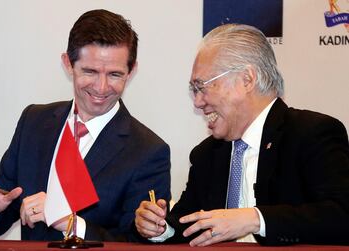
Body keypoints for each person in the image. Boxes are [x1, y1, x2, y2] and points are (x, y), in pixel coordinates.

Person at [135, 23, 349, 246]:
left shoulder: (310, 134)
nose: (197, 102)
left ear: (246, 79)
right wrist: (161, 228)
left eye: (202, 87)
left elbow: (341, 216)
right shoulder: (207, 154)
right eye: (194, 90)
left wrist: (255, 219)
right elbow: (189, 224)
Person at [0, 9, 171, 241]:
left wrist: (70, 224)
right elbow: (7, 201)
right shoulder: (34, 122)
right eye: (90, 71)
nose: (101, 87)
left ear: (132, 70)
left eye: (115, 74)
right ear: (68, 63)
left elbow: (138, 244)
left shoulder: (149, 151)